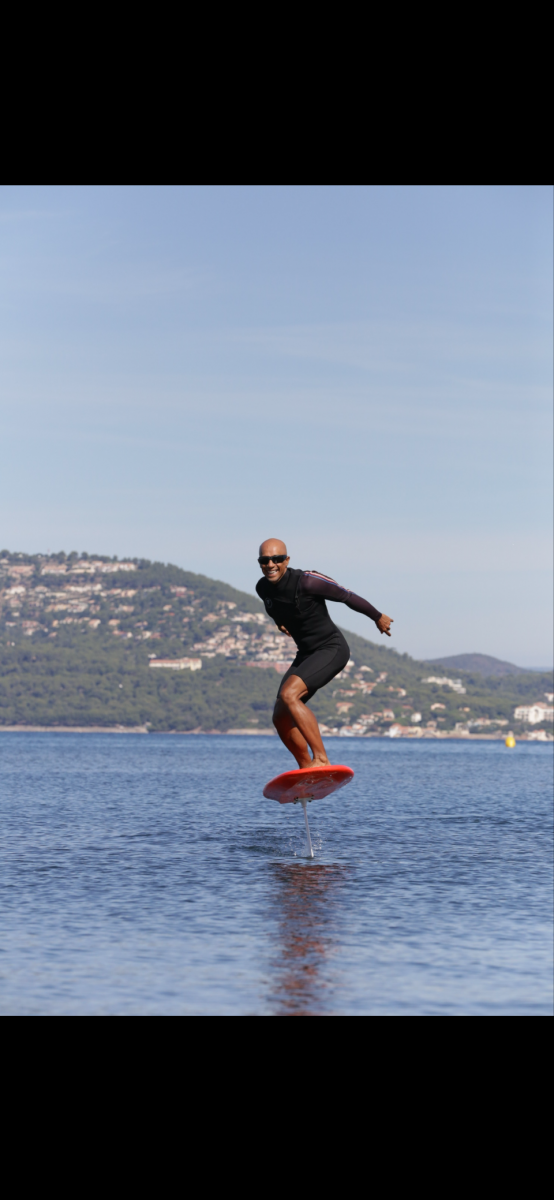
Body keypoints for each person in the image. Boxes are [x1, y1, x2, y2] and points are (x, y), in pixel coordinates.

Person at [256, 538, 393, 769]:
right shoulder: (262, 588)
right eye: (265, 560)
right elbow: (275, 608)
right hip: (306, 654)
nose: (271, 564)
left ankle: (321, 759)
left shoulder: (309, 581)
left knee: (290, 695)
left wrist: (377, 616)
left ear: (286, 560)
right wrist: (280, 623)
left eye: (277, 559)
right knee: (279, 715)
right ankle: (306, 768)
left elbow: (346, 595)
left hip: (331, 648)